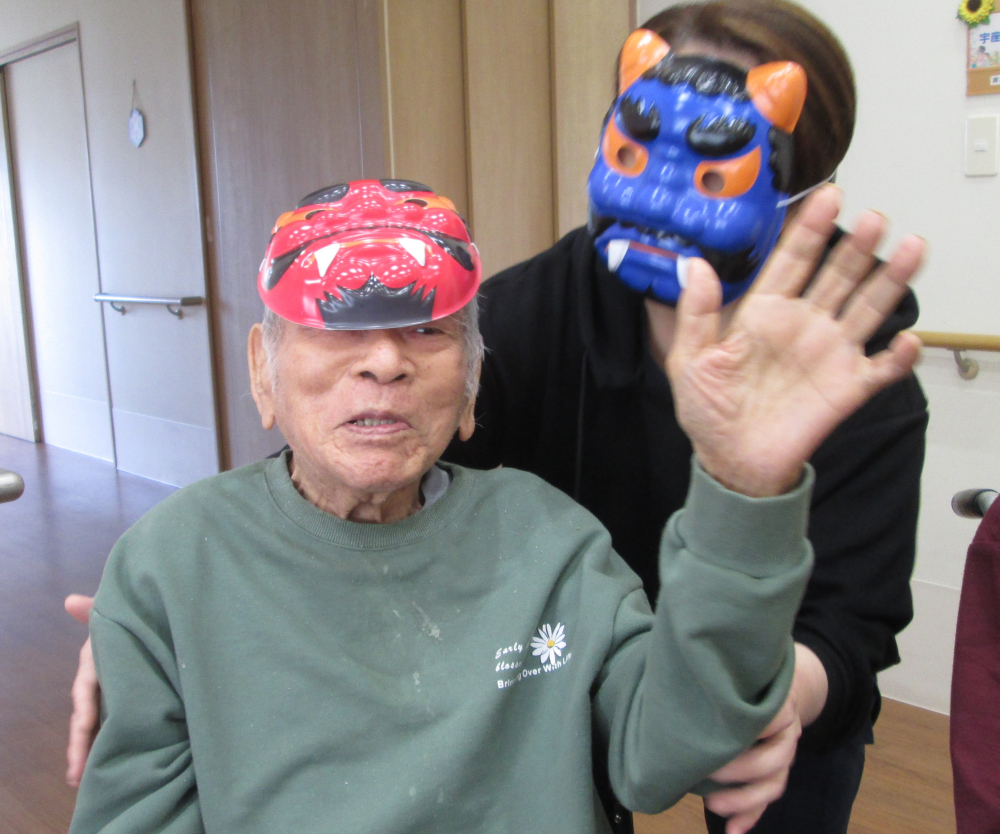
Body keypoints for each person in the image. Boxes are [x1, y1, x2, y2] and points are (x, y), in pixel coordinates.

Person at [67, 177, 922, 834]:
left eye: (428, 330)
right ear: (264, 369)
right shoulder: (172, 562)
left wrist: (741, 490)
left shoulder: (551, 540)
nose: (385, 363)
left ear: (473, 382)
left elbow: (672, 750)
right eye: (335, 327)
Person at [440, 4, 928, 834]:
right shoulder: (525, 318)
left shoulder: (854, 368)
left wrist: (774, 703)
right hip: (578, 658)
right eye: (638, 152)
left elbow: (851, 621)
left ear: (801, 185)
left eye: (710, 170)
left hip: (772, 673)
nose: (664, 198)